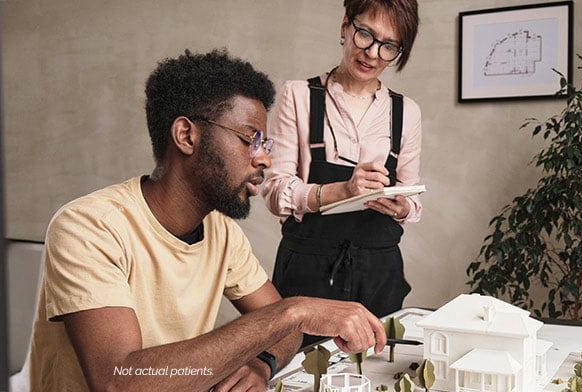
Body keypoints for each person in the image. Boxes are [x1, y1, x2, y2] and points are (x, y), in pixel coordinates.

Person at [27, 49, 386, 392]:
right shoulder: (89, 227)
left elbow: (285, 333)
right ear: (186, 136)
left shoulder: (222, 233)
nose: (263, 159)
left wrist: (262, 365)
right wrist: (293, 311)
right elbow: (119, 381)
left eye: (266, 145)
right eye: (251, 139)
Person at [262, 0, 422, 344]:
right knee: (298, 371)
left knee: (376, 370)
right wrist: (344, 190)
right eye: (365, 34)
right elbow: (275, 192)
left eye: (389, 45)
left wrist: (402, 207)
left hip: (379, 271)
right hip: (307, 271)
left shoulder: (406, 111)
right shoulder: (300, 96)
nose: (373, 53)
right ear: (344, 27)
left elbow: (411, 196)